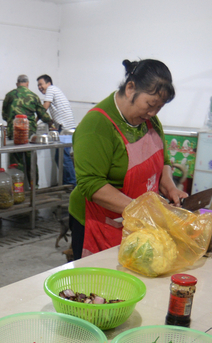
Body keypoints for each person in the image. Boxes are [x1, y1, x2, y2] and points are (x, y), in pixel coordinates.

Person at [68, 59, 188, 260]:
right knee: (99, 285)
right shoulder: (97, 125)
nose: (153, 113)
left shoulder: (148, 120)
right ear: (131, 88)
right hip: (98, 223)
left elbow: (164, 161)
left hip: (138, 220)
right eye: (150, 104)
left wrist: (170, 187)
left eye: (159, 107)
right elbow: (92, 184)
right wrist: (142, 210)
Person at [2, 74, 54, 179]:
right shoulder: (33, 96)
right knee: (31, 161)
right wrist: (51, 124)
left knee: (16, 161)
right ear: (27, 84)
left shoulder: (9, 95)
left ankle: (18, 188)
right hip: (29, 133)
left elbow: (4, 115)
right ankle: (35, 187)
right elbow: (42, 114)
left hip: (14, 132)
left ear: (17, 84)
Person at [37, 74, 76, 186]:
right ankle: (66, 183)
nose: (39, 87)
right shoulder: (55, 91)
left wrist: (33, 121)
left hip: (66, 129)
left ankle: (72, 184)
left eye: (41, 84)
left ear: (48, 83)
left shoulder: (51, 89)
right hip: (65, 128)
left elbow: (45, 106)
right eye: (38, 85)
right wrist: (50, 123)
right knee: (59, 157)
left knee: (63, 157)